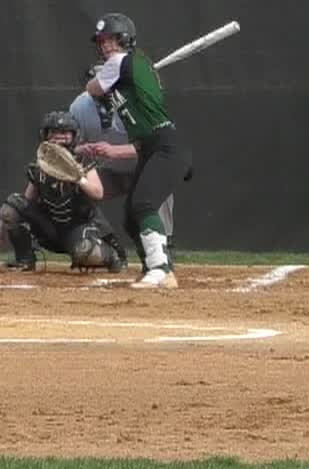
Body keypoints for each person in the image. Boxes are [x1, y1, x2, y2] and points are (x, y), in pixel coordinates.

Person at [78, 13, 189, 289]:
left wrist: (98, 79)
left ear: (125, 39)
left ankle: (160, 269)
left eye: (111, 40)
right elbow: (138, 137)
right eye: (102, 42)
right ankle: (159, 268)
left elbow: (92, 88)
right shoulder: (135, 68)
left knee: (144, 204)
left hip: (165, 144)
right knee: (130, 217)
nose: (105, 46)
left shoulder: (120, 62)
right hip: (150, 146)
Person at [0, 111, 126, 273]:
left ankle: (111, 255)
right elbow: (26, 200)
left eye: (64, 132)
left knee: (86, 253)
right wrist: (2, 224)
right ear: (45, 136)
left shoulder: (83, 162)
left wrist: (77, 177)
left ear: (73, 136)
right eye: (53, 132)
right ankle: (25, 260)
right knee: (12, 204)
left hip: (77, 227)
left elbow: (98, 193)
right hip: (49, 228)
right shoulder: (40, 166)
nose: (59, 136)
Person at [68, 88, 174, 246]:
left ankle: (164, 244)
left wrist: (114, 151)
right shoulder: (80, 106)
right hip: (108, 172)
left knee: (161, 181)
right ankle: (107, 242)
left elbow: (161, 145)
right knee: (77, 190)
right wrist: (84, 148)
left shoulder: (143, 103)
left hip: (144, 170)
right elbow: (71, 146)